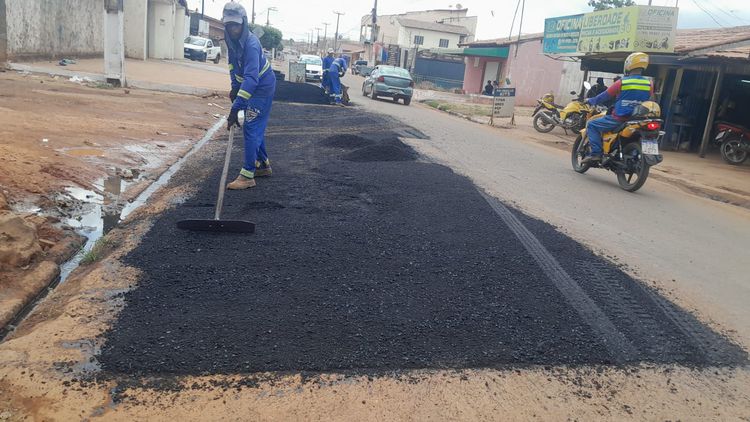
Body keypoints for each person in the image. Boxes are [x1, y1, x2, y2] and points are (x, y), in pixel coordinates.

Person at [224, 2, 276, 189]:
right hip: (251, 85)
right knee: (254, 125)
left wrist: (236, 106)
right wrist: (234, 88)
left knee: (251, 125)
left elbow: (252, 79)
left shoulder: (251, 44)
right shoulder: (231, 43)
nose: (233, 29)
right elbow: (233, 68)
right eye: (229, 25)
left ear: (243, 23)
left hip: (262, 87)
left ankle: (247, 175)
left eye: (236, 24)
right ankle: (262, 164)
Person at [583, 52, 653, 164]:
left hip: (619, 118)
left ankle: (596, 154)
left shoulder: (622, 82)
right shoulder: (649, 84)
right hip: (638, 119)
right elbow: (648, 98)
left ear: (629, 65)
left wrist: (591, 100)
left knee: (592, 125)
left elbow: (605, 96)